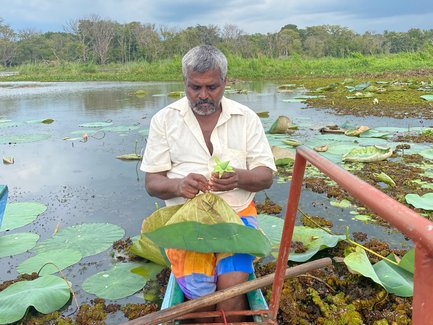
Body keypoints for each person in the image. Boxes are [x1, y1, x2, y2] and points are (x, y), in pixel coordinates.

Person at [141, 44, 276, 322]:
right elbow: (152, 182)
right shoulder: (164, 120)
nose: (203, 96)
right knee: (200, 296)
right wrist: (179, 186)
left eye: (212, 87)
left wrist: (239, 177)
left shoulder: (246, 118)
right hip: (185, 219)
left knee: (231, 290)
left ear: (225, 82)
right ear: (185, 82)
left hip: (236, 217)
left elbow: (266, 177)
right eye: (195, 87)